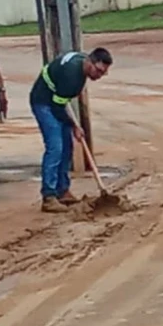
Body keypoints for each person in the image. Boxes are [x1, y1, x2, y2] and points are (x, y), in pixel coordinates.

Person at [30, 48, 113, 213]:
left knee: (67, 148)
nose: (99, 76)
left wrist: (72, 126)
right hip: (43, 102)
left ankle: (63, 191)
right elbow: (57, 107)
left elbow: (61, 102)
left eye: (103, 73)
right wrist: (74, 126)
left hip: (55, 99)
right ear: (90, 62)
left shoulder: (81, 62)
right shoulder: (72, 79)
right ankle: (49, 197)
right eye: (98, 71)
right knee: (55, 147)